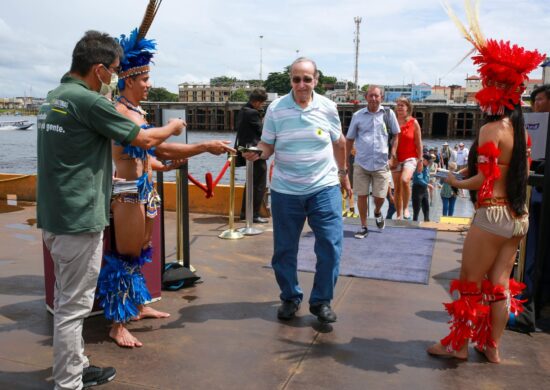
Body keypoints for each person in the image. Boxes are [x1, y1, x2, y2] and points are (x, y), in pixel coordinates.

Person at [37, 30, 185, 389]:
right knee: (74, 309)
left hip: (55, 216)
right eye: (116, 71)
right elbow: (145, 139)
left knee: (66, 301)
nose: (117, 78)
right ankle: (69, 382)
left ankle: (75, 364)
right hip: (78, 219)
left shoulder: (54, 98)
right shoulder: (90, 102)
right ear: (100, 70)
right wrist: (174, 127)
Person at [97, 20, 234, 348]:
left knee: (141, 252)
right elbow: (152, 143)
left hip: (144, 191)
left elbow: (151, 153)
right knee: (124, 254)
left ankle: (139, 306)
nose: (148, 85)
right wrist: (200, 144)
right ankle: (117, 324)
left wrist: (166, 164)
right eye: (144, 79)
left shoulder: (136, 111)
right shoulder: (121, 113)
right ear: (128, 79)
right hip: (127, 194)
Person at [427, 6, 544, 363]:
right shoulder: (521, 131)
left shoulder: (491, 129)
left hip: (491, 215)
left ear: (496, 91)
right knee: (499, 285)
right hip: (517, 217)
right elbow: (508, 172)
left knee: (469, 282)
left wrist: (453, 180)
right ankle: (491, 346)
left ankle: (458, 345)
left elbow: (483, 179)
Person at [242, 57, 352, 323]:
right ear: (290, 80)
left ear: (315, 80)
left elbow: (339, 143)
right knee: (284, 250)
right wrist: (258, 153)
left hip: (324, 188)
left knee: (330, 246)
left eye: (306, 79)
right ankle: (290, 297)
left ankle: (321, 301)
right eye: (296, 79)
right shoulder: (277, 109)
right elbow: (268, 145)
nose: (301, 84)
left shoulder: (328, 107)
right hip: (286, 191)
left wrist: (343, 173)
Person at [345, 85, 400, 238]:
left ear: (381, 97)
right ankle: (363, 226)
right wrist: (345, 161)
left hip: (382, 163)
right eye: (371, 96)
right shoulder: (358, 115)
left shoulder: (389, 114)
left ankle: (377, 212)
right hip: (361, 162)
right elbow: (349, 139)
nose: (374, 99)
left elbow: (396, 135)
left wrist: (392, 155)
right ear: (366, 97)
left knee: (380, 197)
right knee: (361, 195)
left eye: (376, 96)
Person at [235, 88, 269, 223]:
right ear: (256, 102)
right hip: (254, 150)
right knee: (259, 182)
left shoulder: (243, 110)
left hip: (244, 148)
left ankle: (245, 212)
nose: (262, 106)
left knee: (250, 181)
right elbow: (263, 132)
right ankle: (254, 214)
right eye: (261, 103)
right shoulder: (253, 113)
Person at [392, 97, 422, 220]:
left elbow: (419, 143)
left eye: (402, 105)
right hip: (395, 158)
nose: (399, 107)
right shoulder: (392, 121)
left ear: (408, 108)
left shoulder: (413, 122)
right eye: (398, 105)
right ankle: (398, 214)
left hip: (410, 157)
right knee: (397, 188)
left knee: (405, 180)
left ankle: (405, 208)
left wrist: (420, 161)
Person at [411, 154, 433, 222]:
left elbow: (426, 176)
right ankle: (414, 223)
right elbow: (418, 179)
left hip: (424, 189)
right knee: (417, 209)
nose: (430, 163)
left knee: (426, 207)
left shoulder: (426, 167)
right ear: (424, 160)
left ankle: (427, 221)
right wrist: (428, 185)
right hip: (417, 189)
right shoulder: (419, 166)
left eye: (430, 162)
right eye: (429, 162)